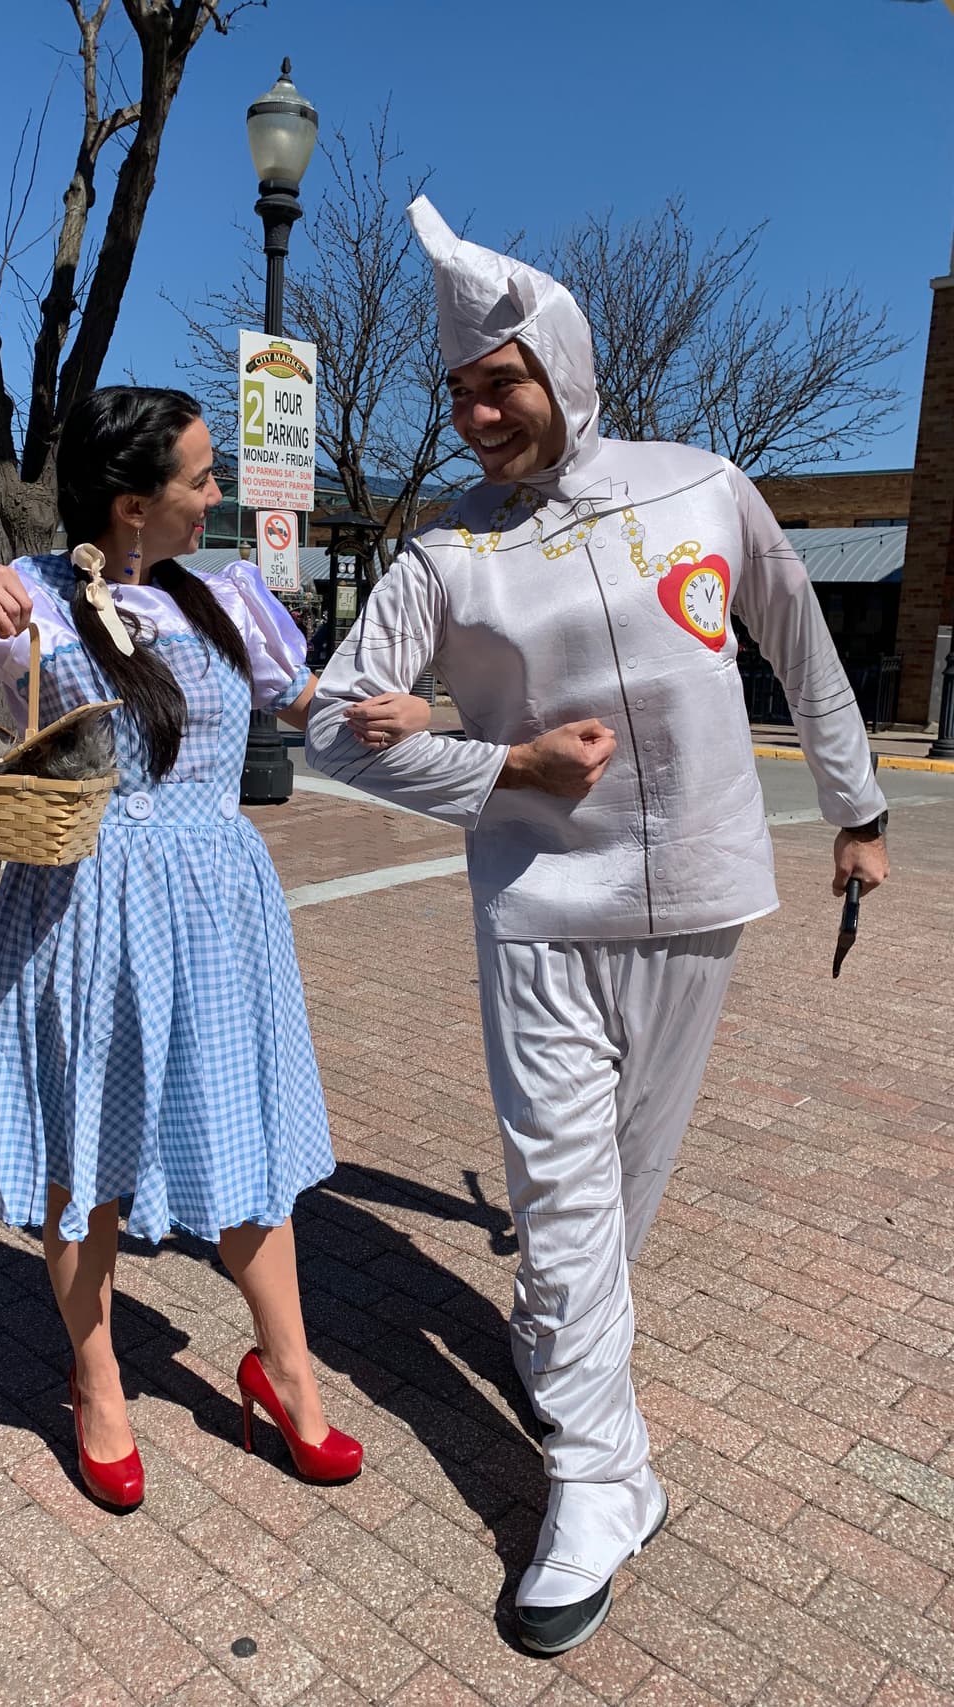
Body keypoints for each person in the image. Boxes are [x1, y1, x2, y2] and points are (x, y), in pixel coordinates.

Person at [305, 200, 890, 1655]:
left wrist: (857, 811)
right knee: (566, 1208)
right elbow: (324, 720)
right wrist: (499, 761)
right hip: (539, 913)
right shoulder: (447, 555)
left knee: (614, 1203)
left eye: (498, 381)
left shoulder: (701, 486)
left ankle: (571, 1366)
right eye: (457, 392)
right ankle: (595, 1480)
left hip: (701, 897)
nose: (477, 413)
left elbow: (801, 640)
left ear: (561, 367)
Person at [0, 385, 430, 1509]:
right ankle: (95, 1378)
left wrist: (425, 714)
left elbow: (319, 711)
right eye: (201, 479)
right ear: (134, 504)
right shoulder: (23, 608)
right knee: (81, 1158)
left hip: (218, 909)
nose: (218, 496)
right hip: (78, 908)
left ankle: (286, 1370)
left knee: (241, 1139)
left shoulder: (229, 595)